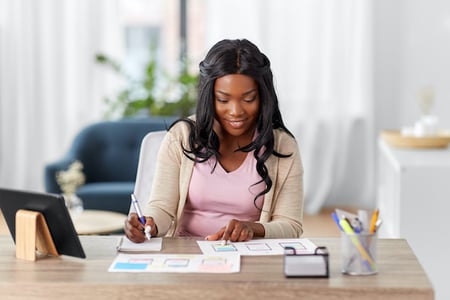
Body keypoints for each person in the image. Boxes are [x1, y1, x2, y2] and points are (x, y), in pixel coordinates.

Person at [125, 39, 304, 243]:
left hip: (248, 255)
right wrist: (149, 223)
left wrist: (253, 228)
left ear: (263, 97)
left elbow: (291, 225)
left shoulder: (283, 146)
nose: (236, 111)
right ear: (208, 97)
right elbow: (162, 208)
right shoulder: (181, 136)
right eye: (223, 100)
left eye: (248, 99)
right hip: (187, 253)